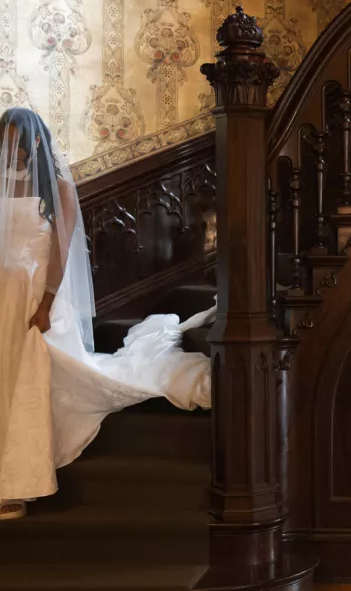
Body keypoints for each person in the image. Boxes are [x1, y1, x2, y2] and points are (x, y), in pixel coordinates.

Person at [0, 107, 213, 521]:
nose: (9, 149)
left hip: (33, 296)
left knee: (25, 379)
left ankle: (16, 483)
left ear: (35, 140)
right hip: (4, 296)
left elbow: (60, 252)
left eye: (15, 140)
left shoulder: (57, 188)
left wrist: (45, 303)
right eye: (4, 139)